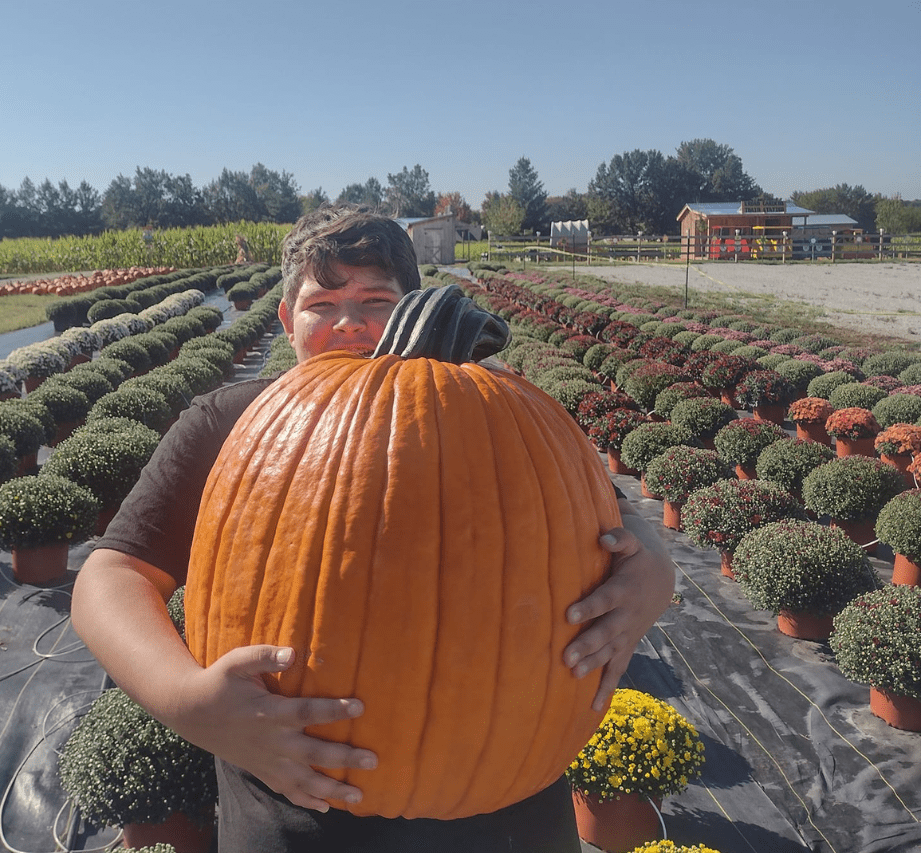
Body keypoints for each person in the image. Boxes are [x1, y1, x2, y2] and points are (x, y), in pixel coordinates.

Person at [72, 204, 676, 852]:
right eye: (322, 303)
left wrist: (656, 576)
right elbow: (110, 575)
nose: (350, 321)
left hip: (506, 817)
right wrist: (188, 699)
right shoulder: (231, 422)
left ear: (415, 310)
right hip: (295, 819)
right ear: (286, 319)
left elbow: (623, 524)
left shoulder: (500, 414)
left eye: (374, 299)